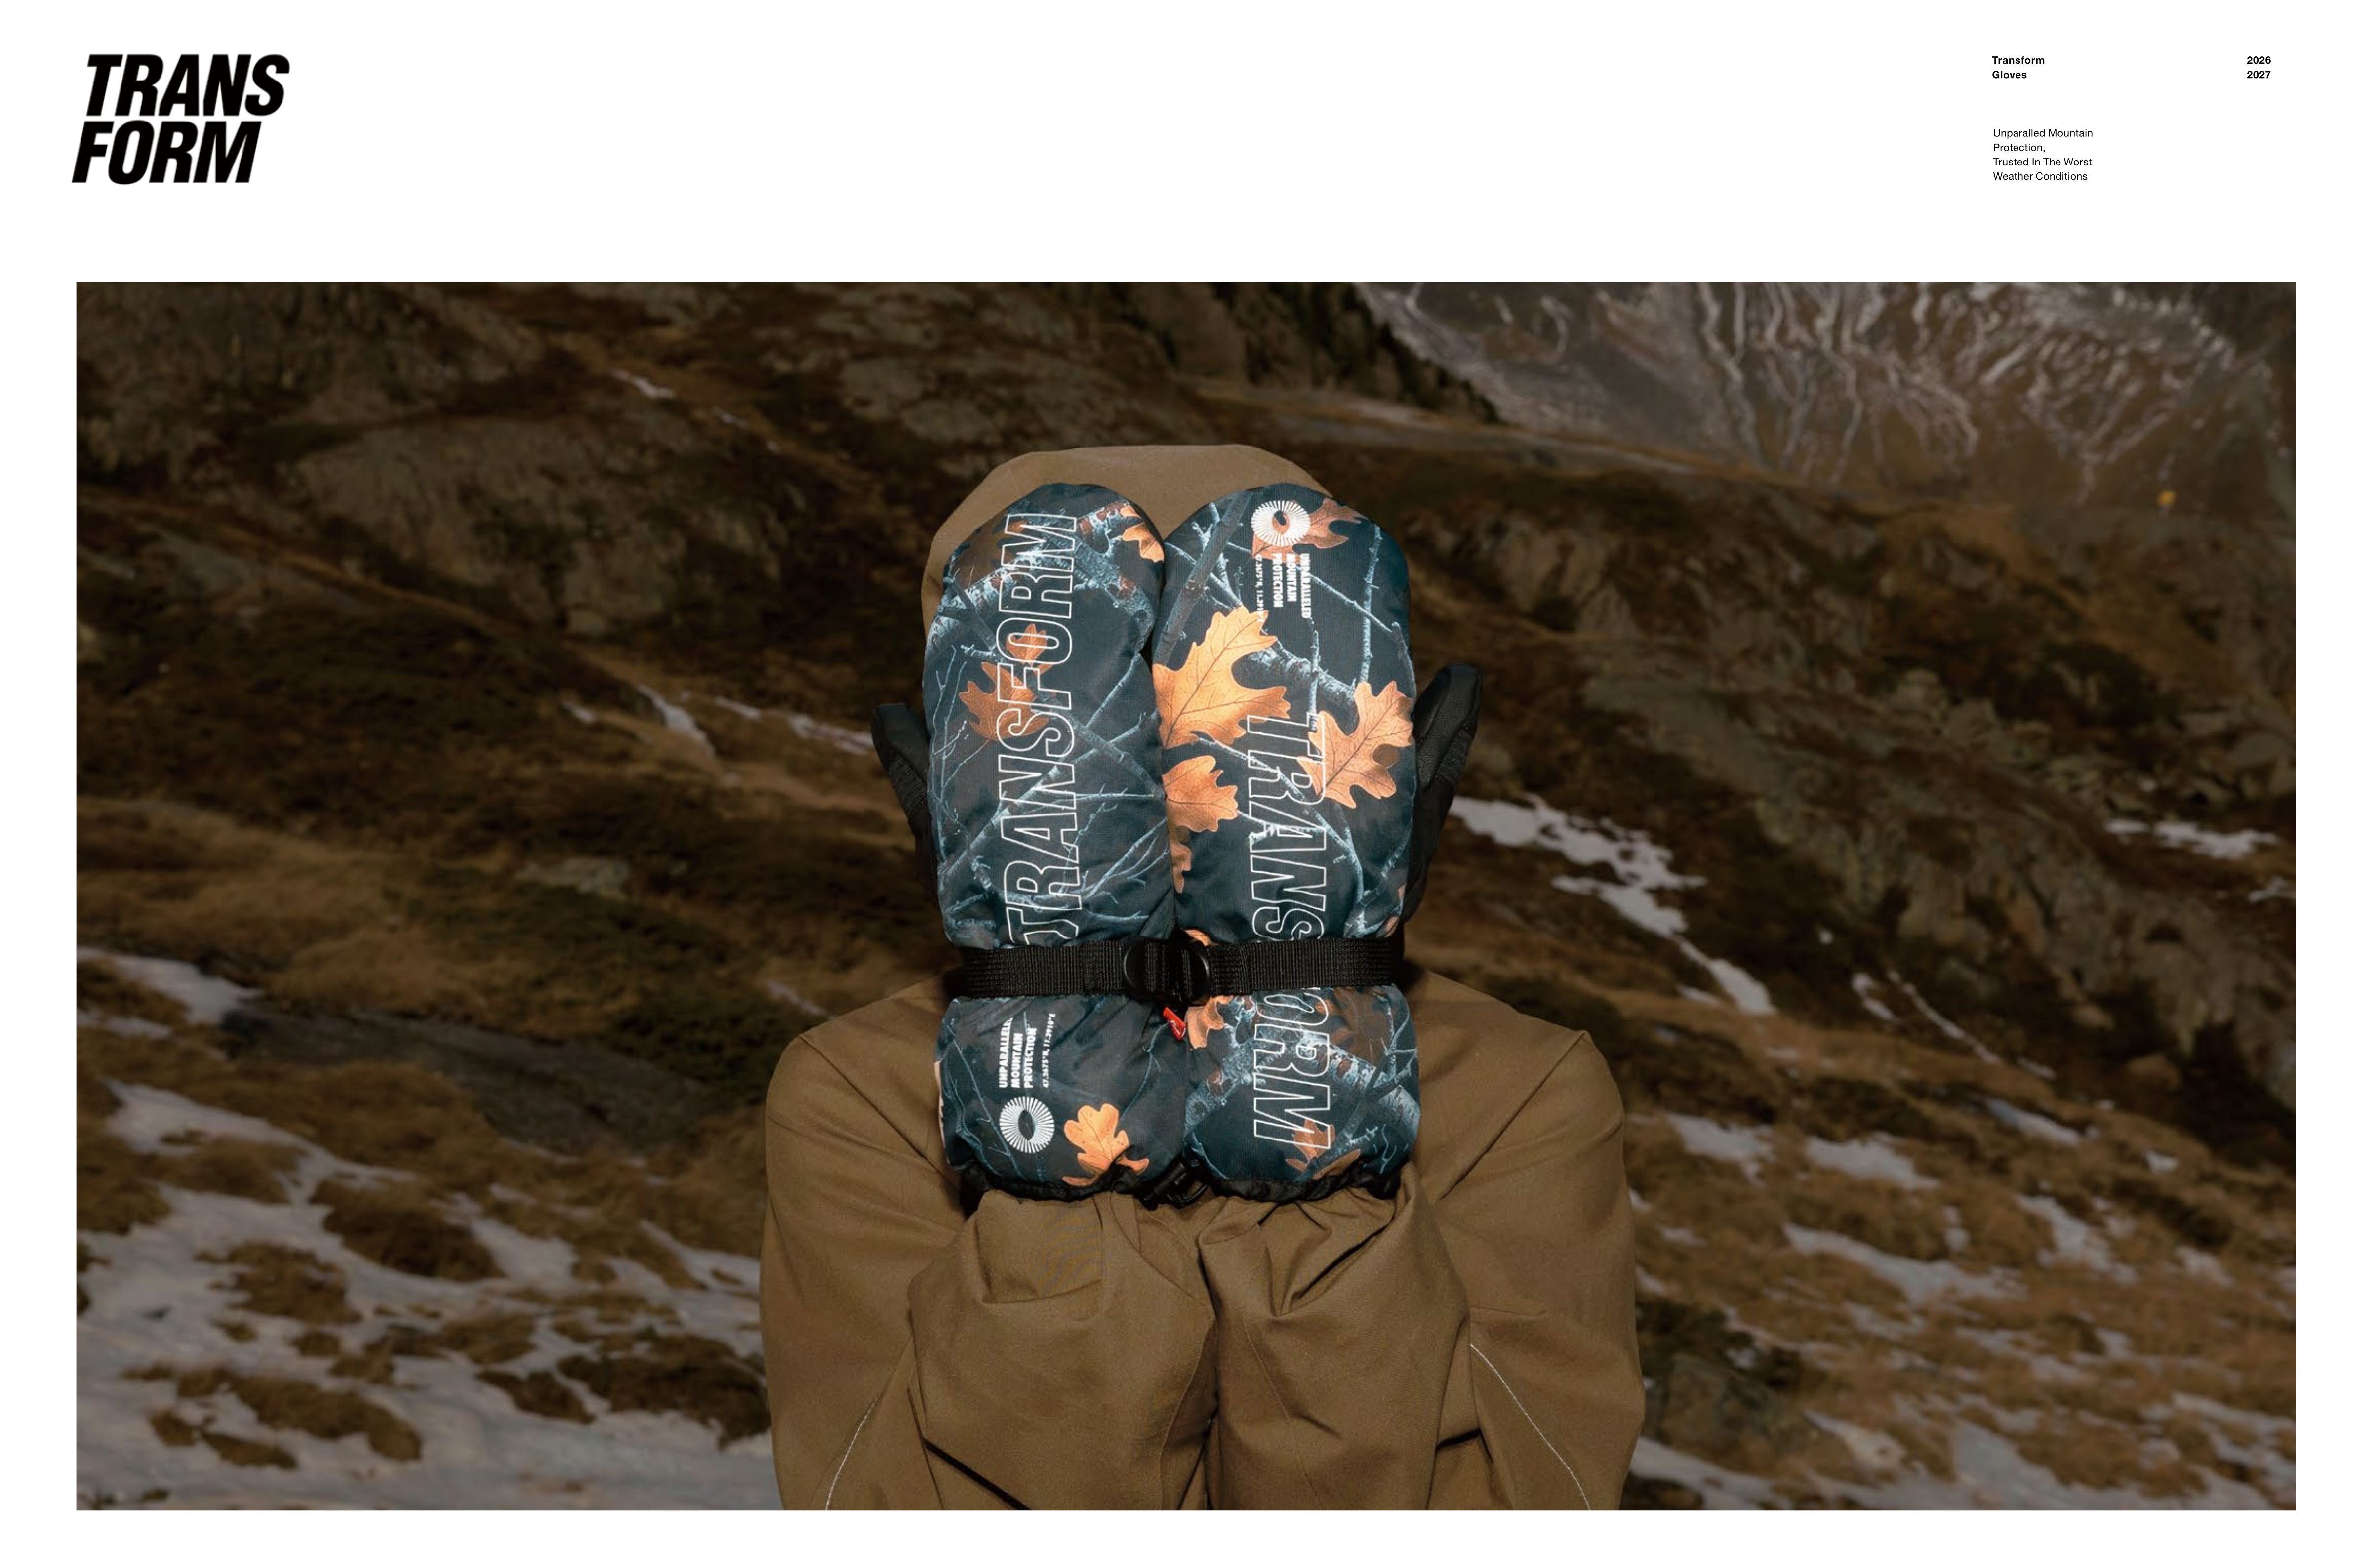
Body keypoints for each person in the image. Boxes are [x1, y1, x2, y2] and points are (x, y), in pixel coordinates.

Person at [758, 444, 1641, 1508]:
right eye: (1095, 730)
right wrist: (1057, 1076)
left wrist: (1301, 1064)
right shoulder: (861, 1100)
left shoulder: (1520, 1095)